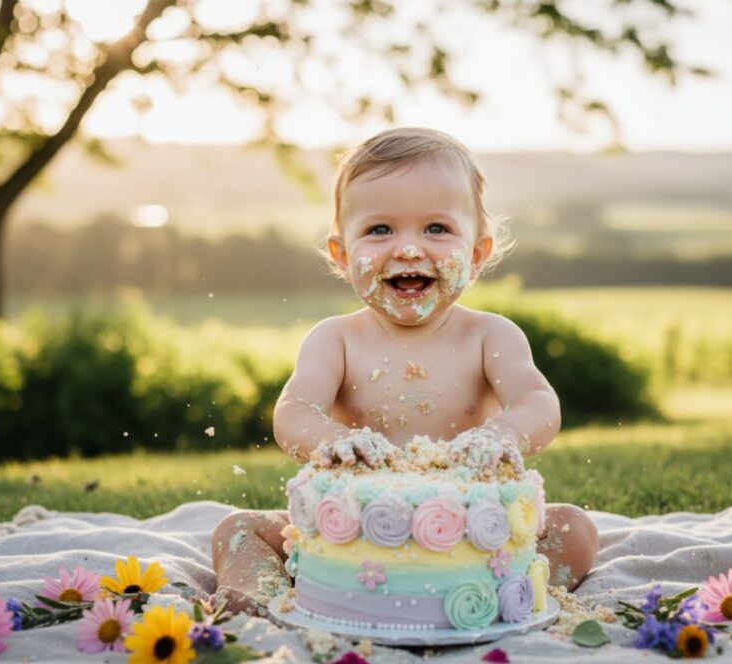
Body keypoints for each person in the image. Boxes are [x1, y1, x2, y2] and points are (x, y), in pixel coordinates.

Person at [211, 127, 598, 615]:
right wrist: (332, 441)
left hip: (472, 530)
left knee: (575, 528)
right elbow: (294, 411)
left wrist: (502, 433)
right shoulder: (336, 339)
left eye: (436, 228)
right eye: (380, 230)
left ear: (476, 254)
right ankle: (261, 597)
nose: (409, 250)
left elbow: (538, 403)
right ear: (343, 256)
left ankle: (515, 592)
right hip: (352, 527)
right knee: (237, 529)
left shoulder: (490, 336)